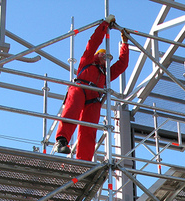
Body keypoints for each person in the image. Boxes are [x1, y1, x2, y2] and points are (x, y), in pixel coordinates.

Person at [53, 15, 130, 161]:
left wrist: (124, 44)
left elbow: (121, 65)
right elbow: (93, 42)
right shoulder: (87, 60)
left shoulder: (105, 73)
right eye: (104, 54)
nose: (106, 57)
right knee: (72, 110)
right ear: (98, 54)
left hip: (94, 98)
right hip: (81, 87)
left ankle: (84, 159)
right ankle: (62, 141)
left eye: (108, 56)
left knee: (89, 129)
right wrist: (104, 25)